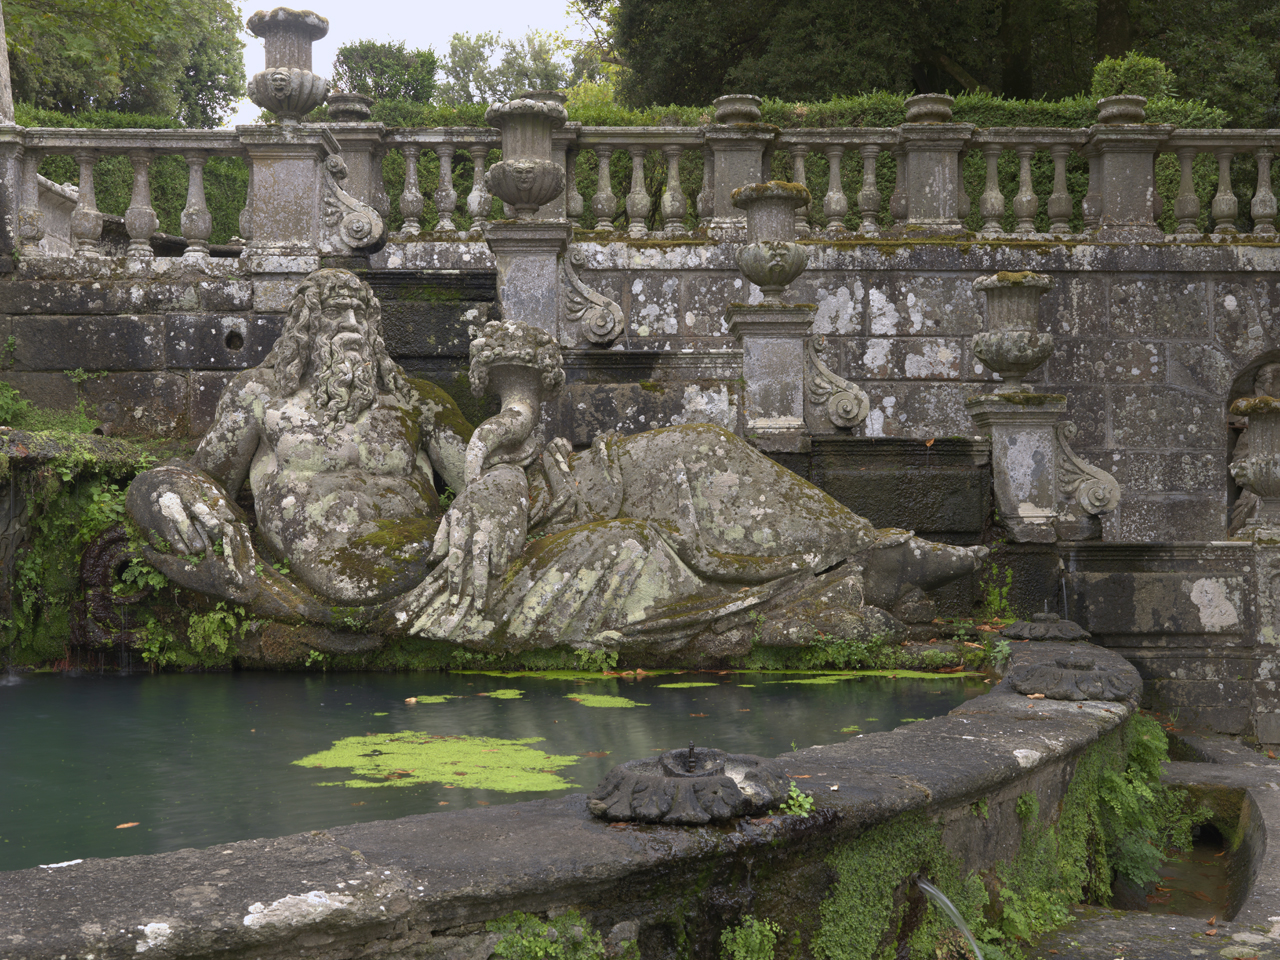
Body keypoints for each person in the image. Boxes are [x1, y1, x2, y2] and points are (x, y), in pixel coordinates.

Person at [127, 268, 984, 655]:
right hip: (371, 587)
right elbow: (193, 475)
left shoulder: (413, 408)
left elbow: (487, 471)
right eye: (332, 319)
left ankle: (867, 549)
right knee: (627, 553)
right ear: (303, 337)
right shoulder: (260, 407)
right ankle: (819, 600)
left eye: (363, 318)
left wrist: (494, 493)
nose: (351, 330)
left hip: (452, 555)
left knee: (694, 449)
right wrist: (165, 494)